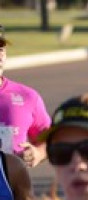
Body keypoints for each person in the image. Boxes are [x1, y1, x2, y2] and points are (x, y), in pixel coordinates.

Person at [0, 25, 51, 168]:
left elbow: (50, 139)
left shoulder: (27, 96)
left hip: (11, 188)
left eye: (1, 49)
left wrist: (39, 152)